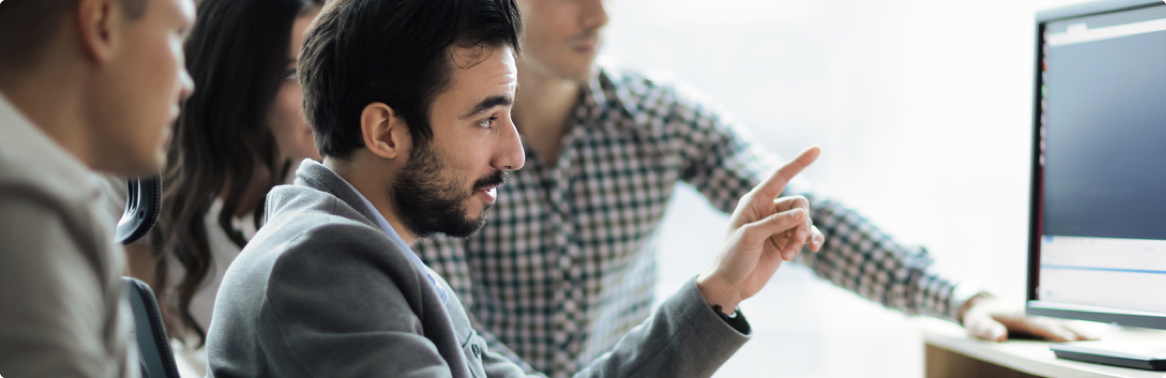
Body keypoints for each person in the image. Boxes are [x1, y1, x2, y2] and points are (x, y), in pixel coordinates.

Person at [412, 0, 1091, 376]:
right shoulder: (441, 149)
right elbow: (457, 339)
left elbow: (799, 219)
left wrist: (958, 296)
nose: (599, 15)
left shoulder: (657, 117)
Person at [205, 0, 825, 376]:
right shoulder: (319, 272)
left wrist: (717, 292)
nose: (515, 153)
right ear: (385, 131)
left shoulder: (372, 261)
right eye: (485, 119)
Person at [103, 0, 324, 375]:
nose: (324, 90)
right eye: (293, 74)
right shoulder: (138, 184)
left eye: (326, 65)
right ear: (239, 80)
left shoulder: (325, 181)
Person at [0, 0, 195, 376]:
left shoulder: (52, 196)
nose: (187, 85)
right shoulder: (26, 211)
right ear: (101, 22)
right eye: (176, 35)